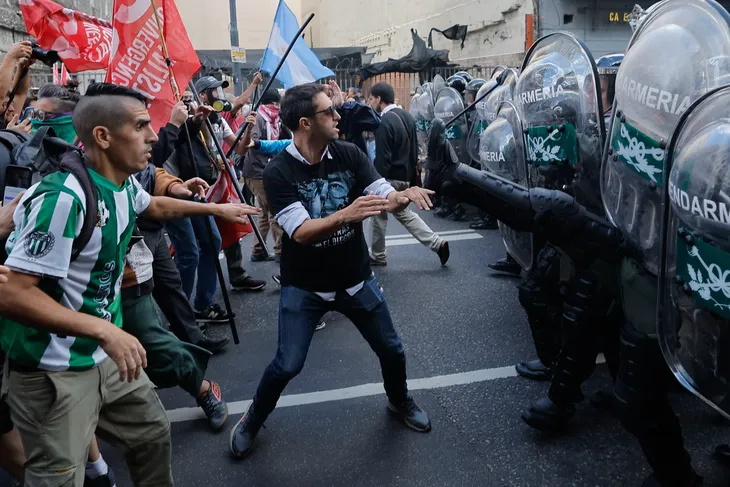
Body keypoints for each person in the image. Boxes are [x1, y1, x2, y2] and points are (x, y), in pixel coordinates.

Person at [0, 82, 260, 487]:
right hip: (53, 372)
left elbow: (153, 204)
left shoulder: (121, 185)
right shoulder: (64, 197)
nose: (154, 136)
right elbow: (12, 292)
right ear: (102, 136)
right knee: (58, 478)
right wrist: (106, 330)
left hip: (106, 359)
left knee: (153, 436)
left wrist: (215, 207)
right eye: (141, 126)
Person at [229, 83, 435, 458]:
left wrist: (398, 196)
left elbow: (380, 189)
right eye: (329, 112)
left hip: (356, 280)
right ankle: (253, 418)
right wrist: (346, 213)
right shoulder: (278, 172)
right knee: (287, 364)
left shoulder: (348, 153)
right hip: (305, 287)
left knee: (393, 350)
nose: (338, 117)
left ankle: (399, 400)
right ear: (305, 123)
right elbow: (302, 232)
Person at [366, 82, 449, 267]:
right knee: (404, 214)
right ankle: (437, 243)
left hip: (388, 179)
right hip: (405, 177)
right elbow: (414, 150)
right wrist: (412, 180)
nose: (369, 102)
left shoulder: (383, 121)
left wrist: (378, 181)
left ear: (378, 99)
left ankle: (378, 255)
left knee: (378, 216)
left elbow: (383, 157)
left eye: (370, 99)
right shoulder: (407, 116)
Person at [242, 88, 290, 262]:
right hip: (257, 172)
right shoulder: (260, 119)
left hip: (265, 170)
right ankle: (281, 252)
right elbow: (251, 143)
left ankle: (258, 250)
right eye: (276, 104)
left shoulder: (274, 119)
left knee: (264, 212)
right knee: (275, 210)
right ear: (273, 104)